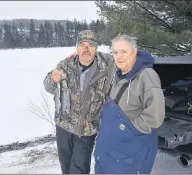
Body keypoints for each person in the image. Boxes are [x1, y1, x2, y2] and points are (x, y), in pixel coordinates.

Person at [94, 34, 165, 174]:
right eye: (115, 52)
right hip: (108, 154)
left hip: (129, 155)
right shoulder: (118, 75)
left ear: (134, 51)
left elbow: (155, 115)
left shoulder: (147, 76)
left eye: (124, 52)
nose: (118, 56)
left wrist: (131, 130)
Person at [43, 30, 110, 174]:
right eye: (82, 45)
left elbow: (127, 57)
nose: (86, 49)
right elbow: (48, 86)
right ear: (77, 48)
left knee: (79, 169)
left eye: (90, 45)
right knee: (65, 167)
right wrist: (53, 79)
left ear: (96, 48)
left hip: (87, 130)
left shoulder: (106, 67)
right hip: (64, 126)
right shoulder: (65, 65)